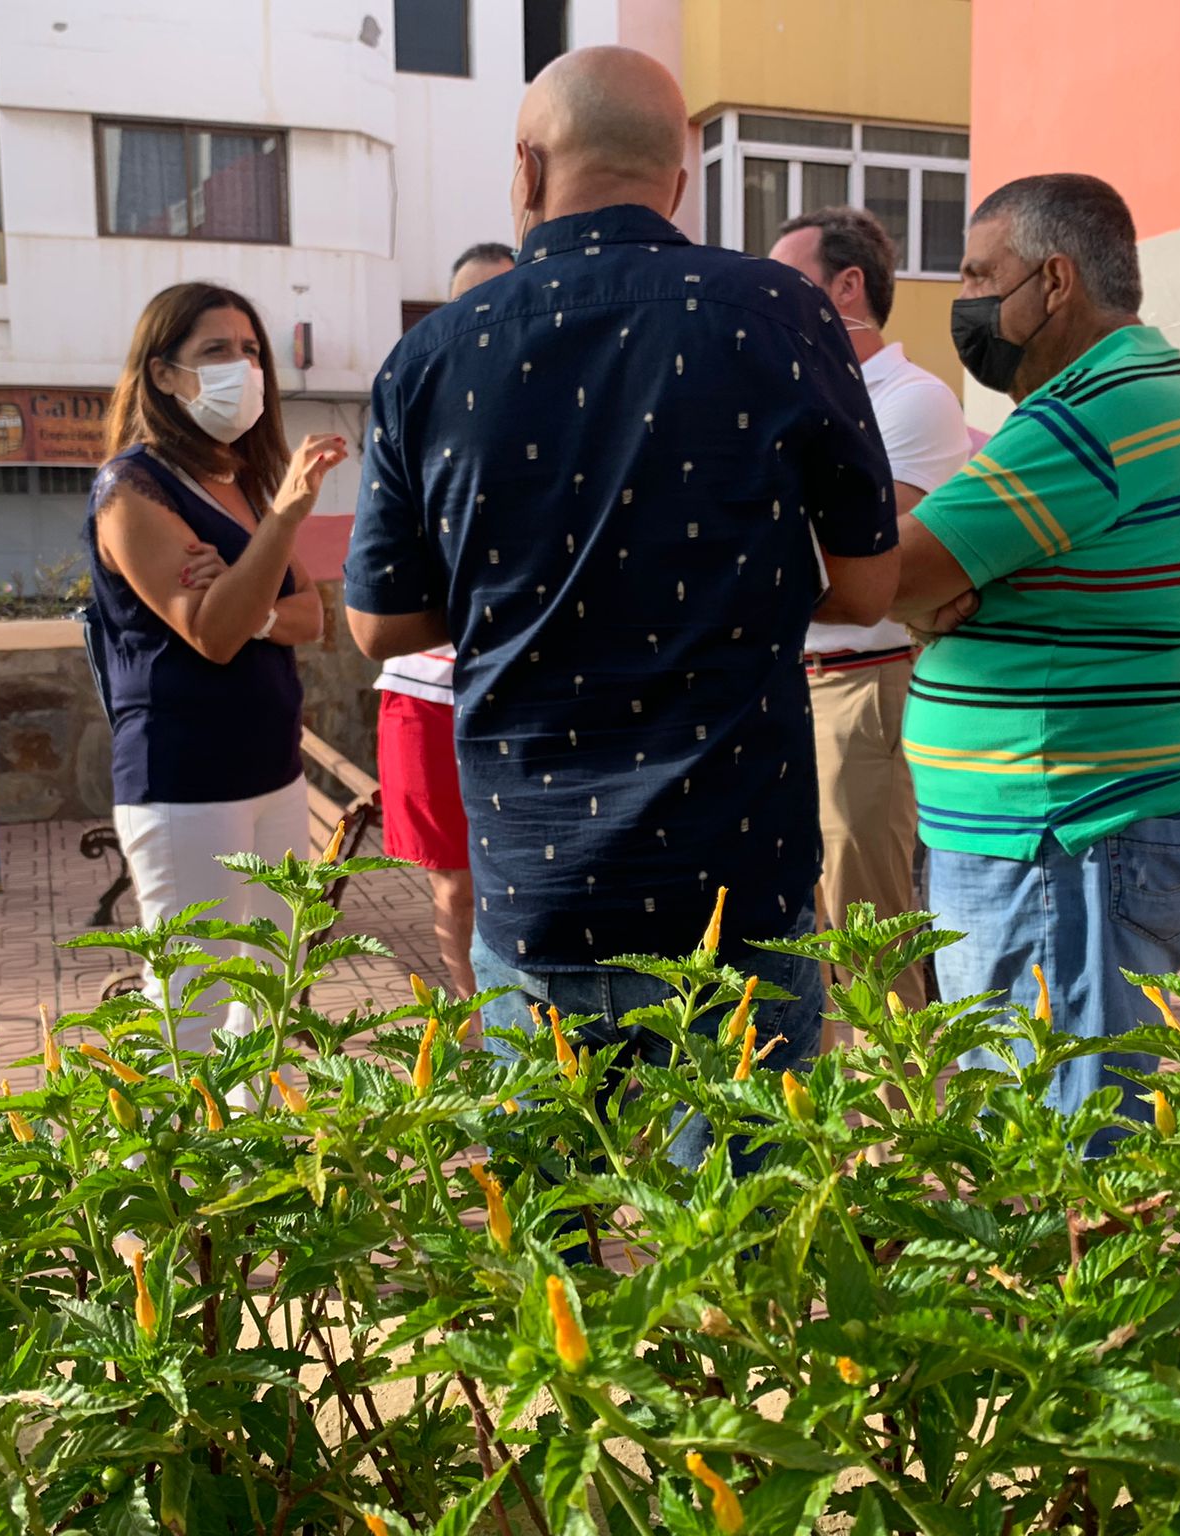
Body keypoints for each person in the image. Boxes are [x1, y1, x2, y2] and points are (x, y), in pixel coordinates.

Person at [342, 46, 899, 1165]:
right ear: (679, 180)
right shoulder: (781, 315)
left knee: (549, 1258)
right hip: (734, 875)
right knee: (749, 1253)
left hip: (536, 882)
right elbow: (865, 586)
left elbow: (378, 624)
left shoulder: (434, 354)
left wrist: (523, 589)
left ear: (525, 167)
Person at [892, 173, 1180, 1137]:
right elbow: (930, 584)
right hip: (1067, 826)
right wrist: (928, 599)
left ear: (1053, 280)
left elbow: (893, 571)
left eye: (976, 275)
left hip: (1066, 836)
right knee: (1061, 1123)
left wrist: (919, 592)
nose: (964, 302)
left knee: (1061, 1145)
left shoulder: (1088, 417)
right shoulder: (1118, 393)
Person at [84, 281, 347, 1049]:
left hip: (274, 774)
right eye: (216, 351)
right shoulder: (131, 490)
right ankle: (169, 1169)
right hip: (185, 784)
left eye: (251, 350)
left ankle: (253, 1164)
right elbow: (215, 639)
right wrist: (287, 515)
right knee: (191, 1014)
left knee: (268, 998)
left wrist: (243, 593)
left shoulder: (234, 486)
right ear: (162, 374)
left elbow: (309, 617)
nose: (244, 366)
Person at [769, 206, 970, 1030]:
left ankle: (903, 1124)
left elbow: (871, 568)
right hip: (788, 685)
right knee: (803, 937)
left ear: (848, 286)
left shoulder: (911, 402)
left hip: (862, 688)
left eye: (790, 283)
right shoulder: (803, 400)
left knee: (868, 937)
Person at [372, 243, 516, 1000]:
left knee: (523, 875)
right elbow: (379, 588)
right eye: (469, 304)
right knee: (456, 890)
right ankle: (475, 1026)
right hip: (425, 697)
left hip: (523, 688)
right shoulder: (420, 413)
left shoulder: (562, 417)